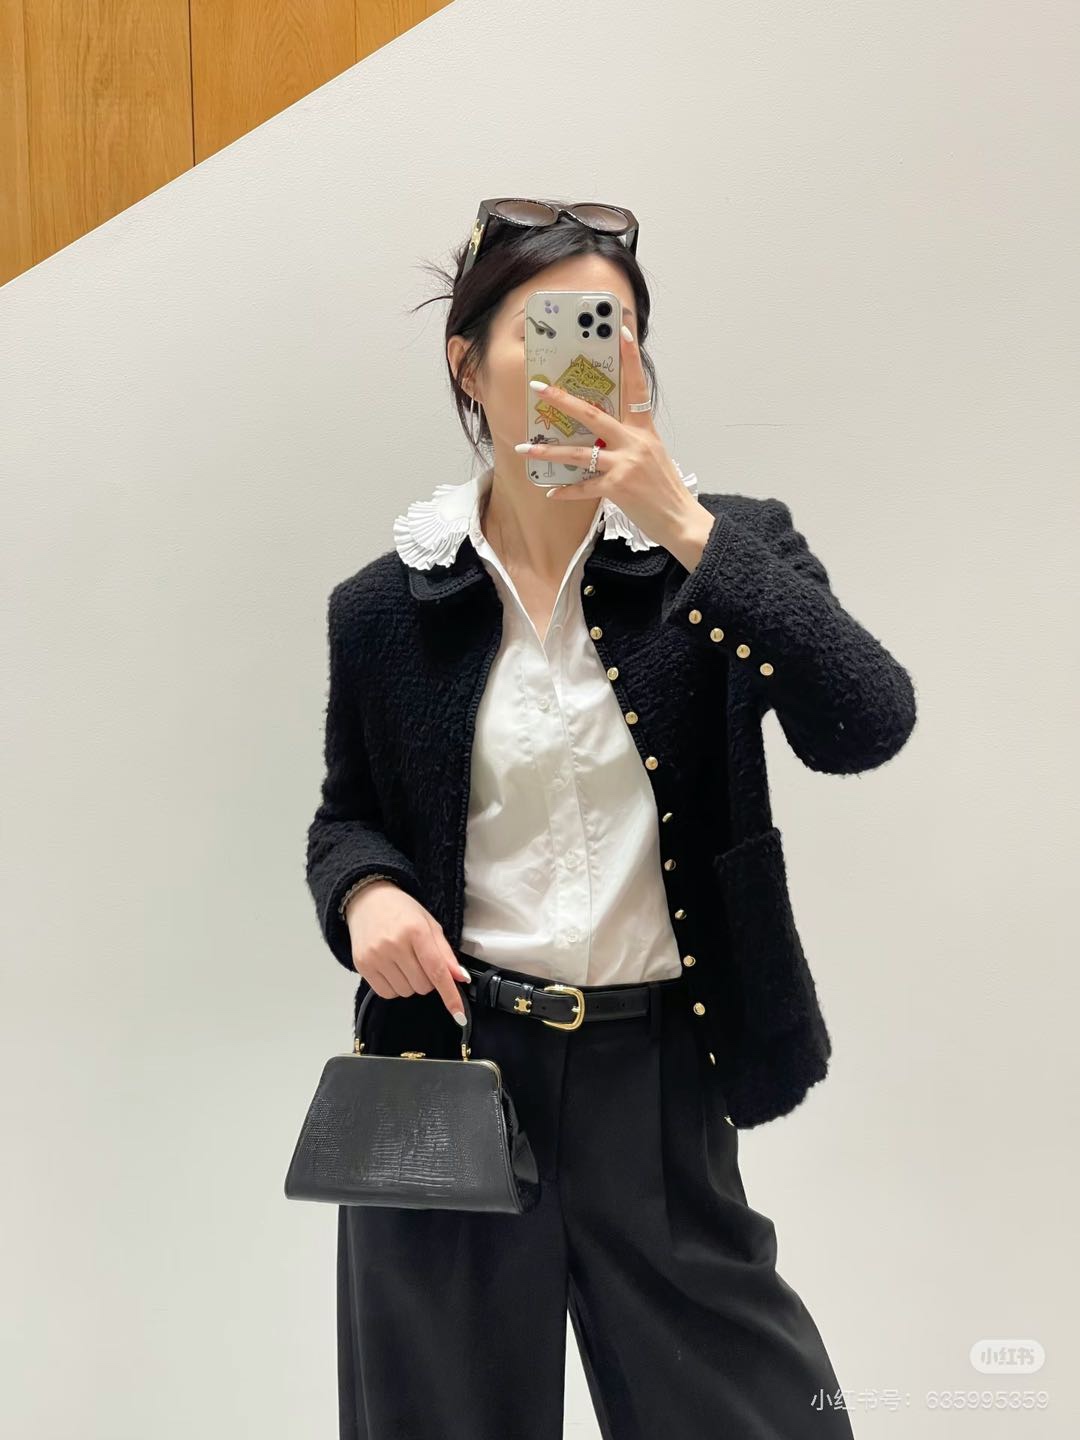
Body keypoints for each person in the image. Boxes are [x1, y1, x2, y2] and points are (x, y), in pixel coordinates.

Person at [305, 200, 917, 1439]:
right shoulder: (384, 607)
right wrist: (366, 895)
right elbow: (345, 820)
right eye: (551, 327)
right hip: (453, 1075)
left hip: (660, 1079)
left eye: (613, 329)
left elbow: (867, 720)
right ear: (467, 362)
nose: (590, 355)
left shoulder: (724, 552)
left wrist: (684, 522)